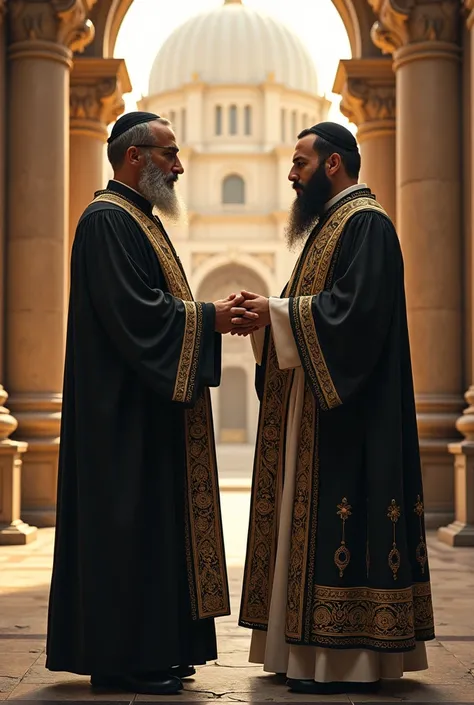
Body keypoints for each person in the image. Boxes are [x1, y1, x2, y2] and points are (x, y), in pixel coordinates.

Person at [46, 111, 258, 695]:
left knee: (154, 534)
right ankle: (123, 660)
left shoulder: (138, 220)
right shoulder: (107, 221)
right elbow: (136, 316)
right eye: (169, 154)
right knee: (127, 533)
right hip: (121, 419)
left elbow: (153, 310)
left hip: (147, 412)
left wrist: (206, 319)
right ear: (135, 157)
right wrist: (211, 318)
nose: (180, 165)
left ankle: (158, 649)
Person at [234, 122, 435, 694]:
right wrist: (270, 316)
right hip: (320, 410)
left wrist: (274, 312)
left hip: (351, 419)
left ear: (332, 165)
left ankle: (343, 658)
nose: (291, 174)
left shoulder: (365, 225)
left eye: (300, 162)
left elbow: (353, 315)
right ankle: (303, 651)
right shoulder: (331, 227)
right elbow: (317, 309)